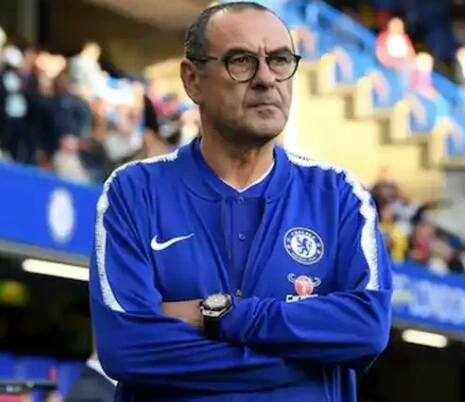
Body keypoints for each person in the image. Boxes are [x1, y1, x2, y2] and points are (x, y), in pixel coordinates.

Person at [88, 2, 392, 402]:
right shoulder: (134, 192)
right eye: (242, 61)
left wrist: (217, 314)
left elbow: (367, 329)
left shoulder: (339, 197)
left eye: (280, 60)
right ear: (193, 80)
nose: (266, 78)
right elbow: (127, 350)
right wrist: (303, 367)